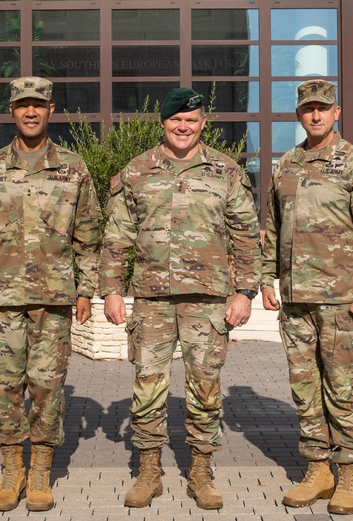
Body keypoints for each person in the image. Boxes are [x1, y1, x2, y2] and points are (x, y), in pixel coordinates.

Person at [99, 87, 262, 510]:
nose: (183, 126)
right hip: (151, 300)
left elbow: (246, 234)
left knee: (205, 389)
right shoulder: (136, 171)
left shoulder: (225, 171)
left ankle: (200, 473)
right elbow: (117, 235)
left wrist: (245, 292)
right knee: (148, 387)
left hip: (208, 301)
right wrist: (112, 290)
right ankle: (149, 471)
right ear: (164, 123)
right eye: (176, 120)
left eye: (191, 120)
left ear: (203, 123)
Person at [0, 76, 101, 513]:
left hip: (54, 300)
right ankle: (11, 469)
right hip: (1, 299)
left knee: (47, 386)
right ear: (12, 112)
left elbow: (89, 236)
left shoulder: (73, 168)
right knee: (4, 387)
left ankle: (40, 472)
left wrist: (86, 290)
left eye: (38, 105)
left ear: (51, 110)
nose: (30, 112)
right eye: (22, 105)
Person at [261, 79, 353, 516]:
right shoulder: (286, 165)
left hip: (341, 299)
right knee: (304, 387)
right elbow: (272, 229)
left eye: (323, 108)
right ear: (298, 115)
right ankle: (318, 469)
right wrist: (267, 279)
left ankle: (349, 473)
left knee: (341, 387)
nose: (315, 115)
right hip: (296, 300)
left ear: (336, 112)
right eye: (307, 109)